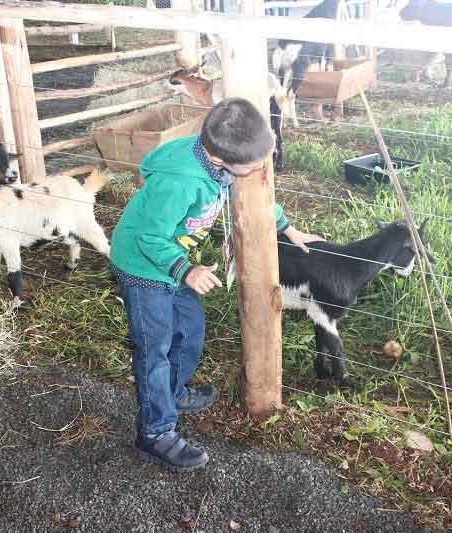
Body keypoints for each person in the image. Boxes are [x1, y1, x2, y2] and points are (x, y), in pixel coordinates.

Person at [110, 97, 323, 471]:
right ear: (221, 158)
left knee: (190, 330)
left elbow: (251, 195)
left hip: (172, 263)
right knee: (155, 350)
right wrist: (186, 270)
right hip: (143, 267)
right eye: (253, 165)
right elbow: (149, 236)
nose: (258, 169)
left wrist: (288, 228)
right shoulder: (180, 182)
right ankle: (155, 432)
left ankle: (173, 392)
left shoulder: (220, 162)